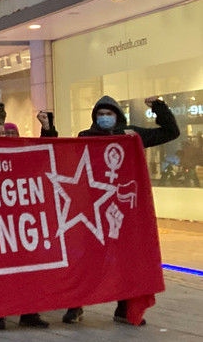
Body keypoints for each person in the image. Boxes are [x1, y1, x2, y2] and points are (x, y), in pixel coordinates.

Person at [60, 95, 179, 325]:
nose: (105, 118)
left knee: (126, 259)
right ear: (95, 117)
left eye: (109, 114)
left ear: (118, 116)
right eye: (101, 115)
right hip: (93, 209)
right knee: (89, 260)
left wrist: (158, 107)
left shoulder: (132, 135)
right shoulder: (86, 137)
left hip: (123, 211)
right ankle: (75, 305)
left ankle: (125, 308)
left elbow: (170, 132)